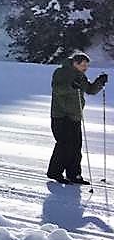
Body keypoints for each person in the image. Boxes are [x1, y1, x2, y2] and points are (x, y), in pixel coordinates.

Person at [47, 52, 108, 184]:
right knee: (64, 145)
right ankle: (54, 172)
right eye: (83, 65)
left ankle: (74, 174)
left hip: (75, 116)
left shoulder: (80, 75)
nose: (86, 68)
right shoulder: (61, 72)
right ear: (75, 63)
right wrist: (71, 86)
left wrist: (99, 82)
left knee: (76, 146)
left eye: (87, 65)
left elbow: (90, 90)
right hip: (61, 115)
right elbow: (58, 89)